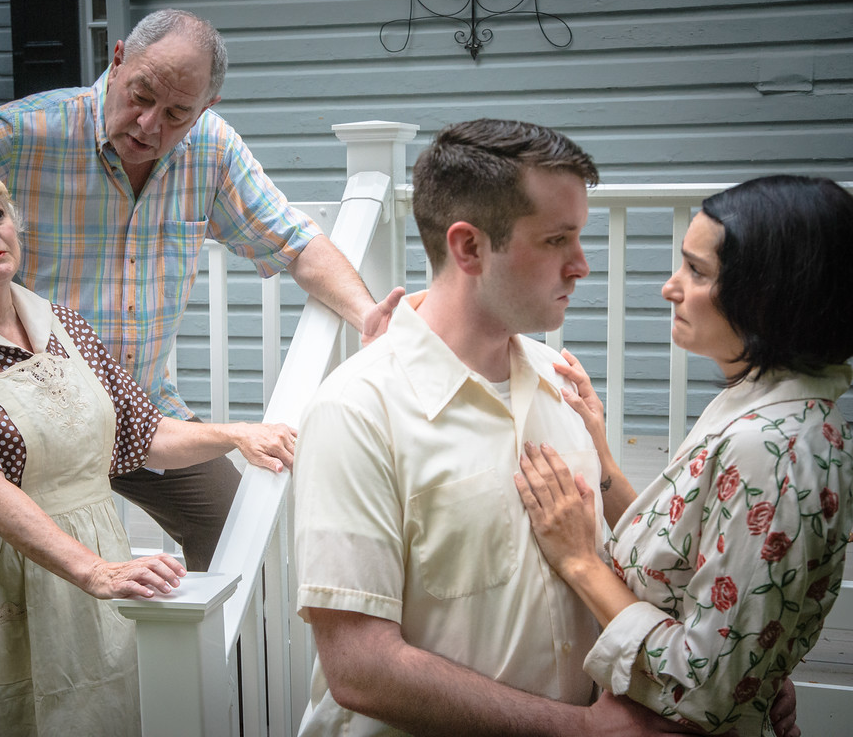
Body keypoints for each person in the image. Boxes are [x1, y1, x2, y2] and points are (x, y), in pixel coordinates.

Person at [0, 8, 403, 571]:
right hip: (27, 415)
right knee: (25, 561)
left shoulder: (212, 149)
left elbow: (295, 242)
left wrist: (367, 315)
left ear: (205, 107)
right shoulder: (25, 132)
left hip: (143, 413)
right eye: (140, 96)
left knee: (234, 531)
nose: (148, 125)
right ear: (117, 61)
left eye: (177, 113)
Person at [292, 117, 708, 736]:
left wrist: (728, 668)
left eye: (579, 238)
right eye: (556, 240)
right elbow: (361, 668)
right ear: (469, 248)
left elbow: (610, 568)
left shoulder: (560, 384)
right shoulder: (356, 412)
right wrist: (583, 731)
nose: (581, 266)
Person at [0, 156, 298, 735]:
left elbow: (145, 434)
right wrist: (96, 572)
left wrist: (234, 435)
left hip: (93, 573)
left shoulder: (63, 325)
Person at [514, 175, 853, 736]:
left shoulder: (774, 451)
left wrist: (579, 561)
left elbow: (706, 687)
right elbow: (689, 561)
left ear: (767, 294)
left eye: (697, 271)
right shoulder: (767, 407)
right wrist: (603, 461)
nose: (670, 287)